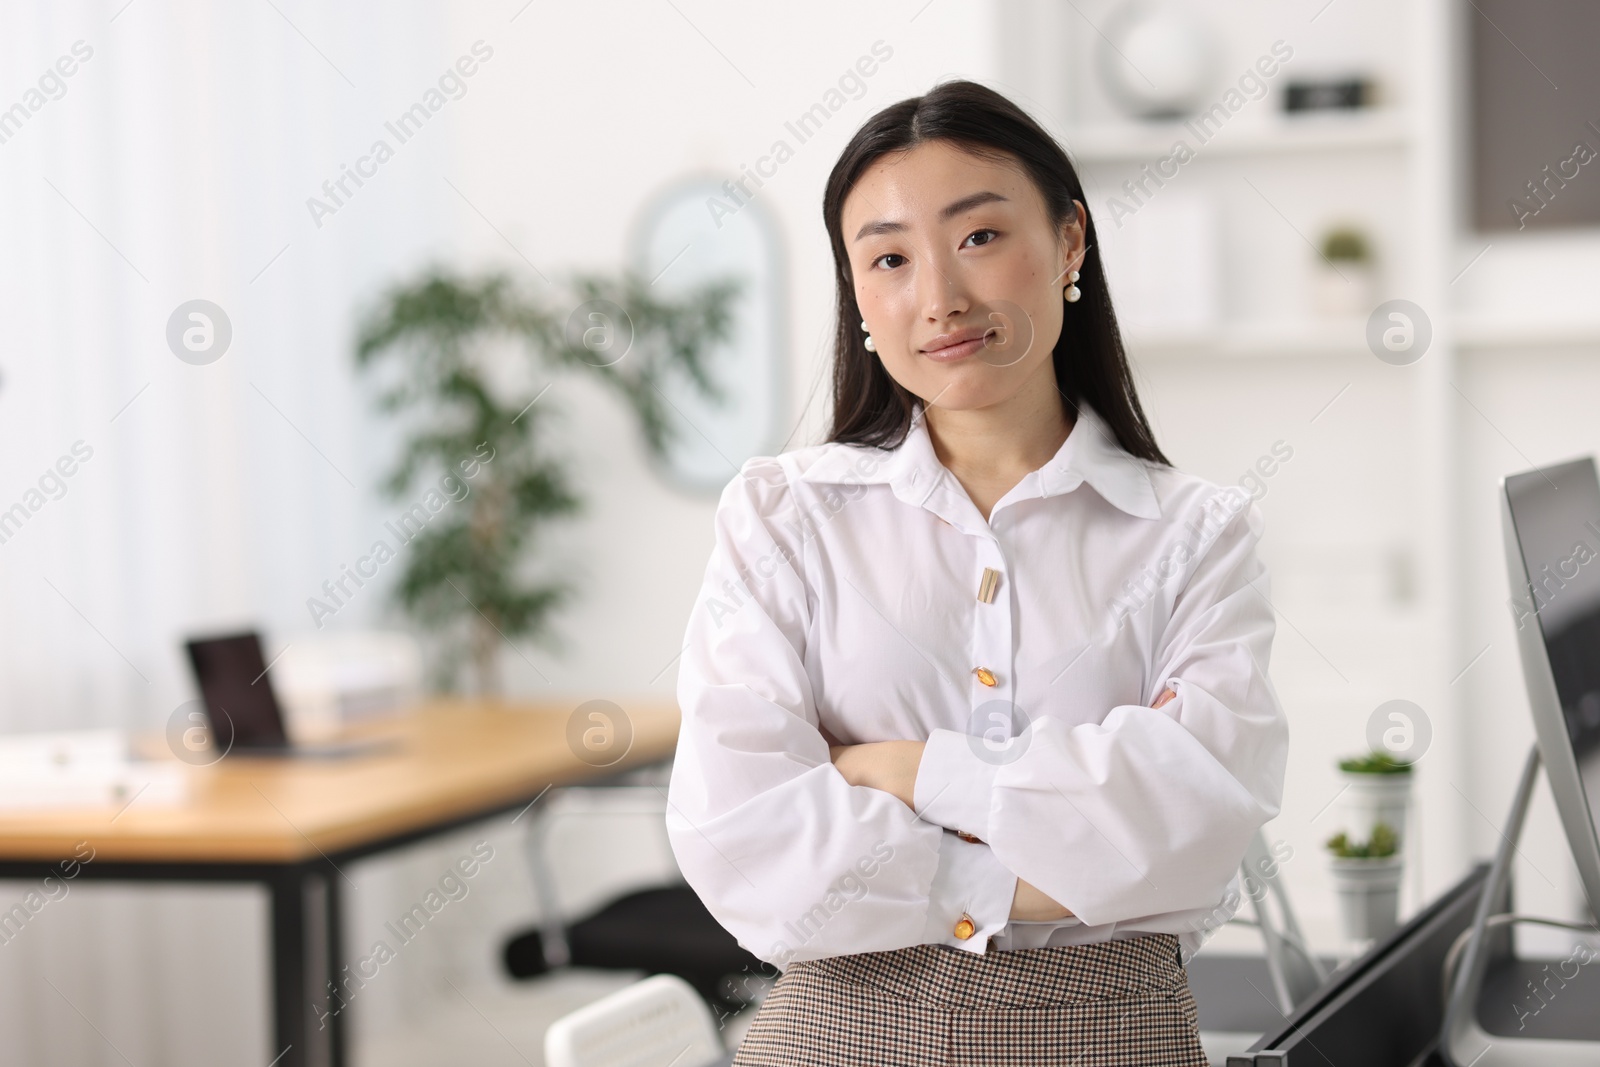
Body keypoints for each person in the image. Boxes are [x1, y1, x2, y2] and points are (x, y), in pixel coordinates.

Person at [665, 78, 1290, 1066]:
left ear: (1070, 241)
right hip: (837, 1035)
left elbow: (1197, 828)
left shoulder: (1194, 533)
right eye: (888, 257)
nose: (941, 297)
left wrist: (910, 771)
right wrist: (1062, 857)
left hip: (1110, 1033)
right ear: (858, 292)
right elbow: (742, 835)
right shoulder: (785, 516)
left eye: (980, 237)